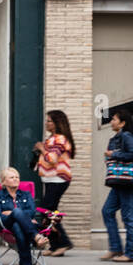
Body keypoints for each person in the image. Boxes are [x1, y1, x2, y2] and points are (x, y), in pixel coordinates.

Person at [100, 108, 133, 263]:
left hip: (128, 183)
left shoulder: (126, 136)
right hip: (118, 182)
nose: (111, 122)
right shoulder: (116, 137)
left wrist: (113, 154)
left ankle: (131, 253)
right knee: (107, 211)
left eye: (114, 119)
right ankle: (115, 247)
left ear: (123, 123)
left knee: (128, 217)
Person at [0, 167, 49, 265]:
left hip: (19, 226)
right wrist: (15, 213)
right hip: (5, 224)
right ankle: (36, 237)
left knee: (18, 225)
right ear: (4, 181)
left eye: (17, 177)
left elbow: (32, 211)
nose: (16, 179)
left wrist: (12, 213)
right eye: (12, 177)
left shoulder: (26, 194)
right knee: (17, 212)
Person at [34, 109, 75, 256]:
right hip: (50, 179)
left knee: (47, 211)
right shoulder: (51, 139)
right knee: (50, 212)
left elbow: (52, 159)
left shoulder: (60, 139)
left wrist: (41, 148)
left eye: (49, 121)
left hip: (58, 179)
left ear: (57, 123)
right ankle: (55, 245)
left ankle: (63, 243)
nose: (46, 123)